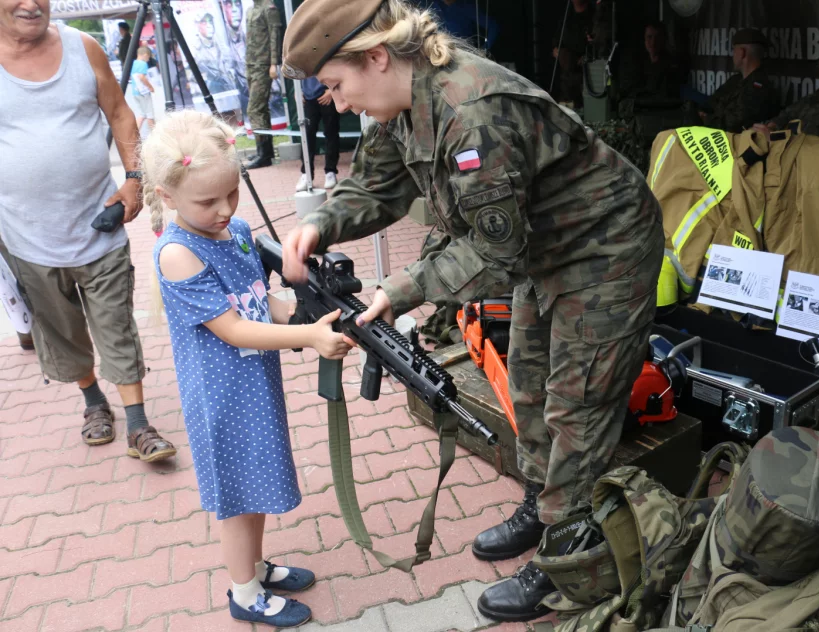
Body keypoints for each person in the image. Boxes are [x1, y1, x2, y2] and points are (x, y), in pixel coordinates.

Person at [280, 0, 664, 622]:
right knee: (532, 384)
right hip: (545, 247)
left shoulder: (470, 113)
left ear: (377, 56)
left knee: (579, 404)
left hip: (604, 249)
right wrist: (320, 225)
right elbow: (377, 184)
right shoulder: (403, 101)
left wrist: (402, 287)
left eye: (336, 85)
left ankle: (567, 556)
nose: (340, 103)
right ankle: (544, 507)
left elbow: (494, 251)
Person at [145, 110, 355, 628]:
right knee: (237, 500)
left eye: (231, 194)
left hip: (253, 384)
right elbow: (234, 328)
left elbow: (261, 305)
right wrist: (308, 336)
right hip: (223, 398)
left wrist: (311, 315)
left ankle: (256, 568)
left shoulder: (235, 230)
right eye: (207, 201)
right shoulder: (176, 253)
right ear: (168, 196)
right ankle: (244, 592)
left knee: (255, 483)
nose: (224, 210)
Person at [0, 0, 176, 462]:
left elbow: (120, 114)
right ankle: (93, 401)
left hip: (100, 224)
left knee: (114, 323)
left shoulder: (84, 48)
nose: (30, 4)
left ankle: (138, 424)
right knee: (61, 330)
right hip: (25, 236)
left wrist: (135, 179)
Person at [696, 28, 779, 132]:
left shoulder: (759, 89)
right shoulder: (735, 80)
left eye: (733, 51)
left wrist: (705, 119)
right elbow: (711, 103)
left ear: (742, 53)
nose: (733, 56)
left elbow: (733, 125)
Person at [243, 0, 281, 169]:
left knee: (254, 109)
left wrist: (274, 63)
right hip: (251, 64)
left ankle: (264, 154)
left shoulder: (269, 8)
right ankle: (264, 151)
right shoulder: (251, 10)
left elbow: (275, 36)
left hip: (264, 65)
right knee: (261, 110)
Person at [296, 76, 340, 192]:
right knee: (307, 135)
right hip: (308, 96)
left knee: (331, 133)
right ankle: (306, 174)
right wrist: (298, 90)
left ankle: (330, 172)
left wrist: (332, 90)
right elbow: (295, 68)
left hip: (327, 93)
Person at [129, 46, 156, 132]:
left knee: (142, 114)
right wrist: (150, 87)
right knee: (149, 114)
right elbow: (142, 77)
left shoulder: (133, 63)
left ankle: (135, 133)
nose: (148, 60)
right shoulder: (143, 64)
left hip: (135, 92)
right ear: (145, 55)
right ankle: (156, 135)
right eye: (148, 57)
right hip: (143, 93)